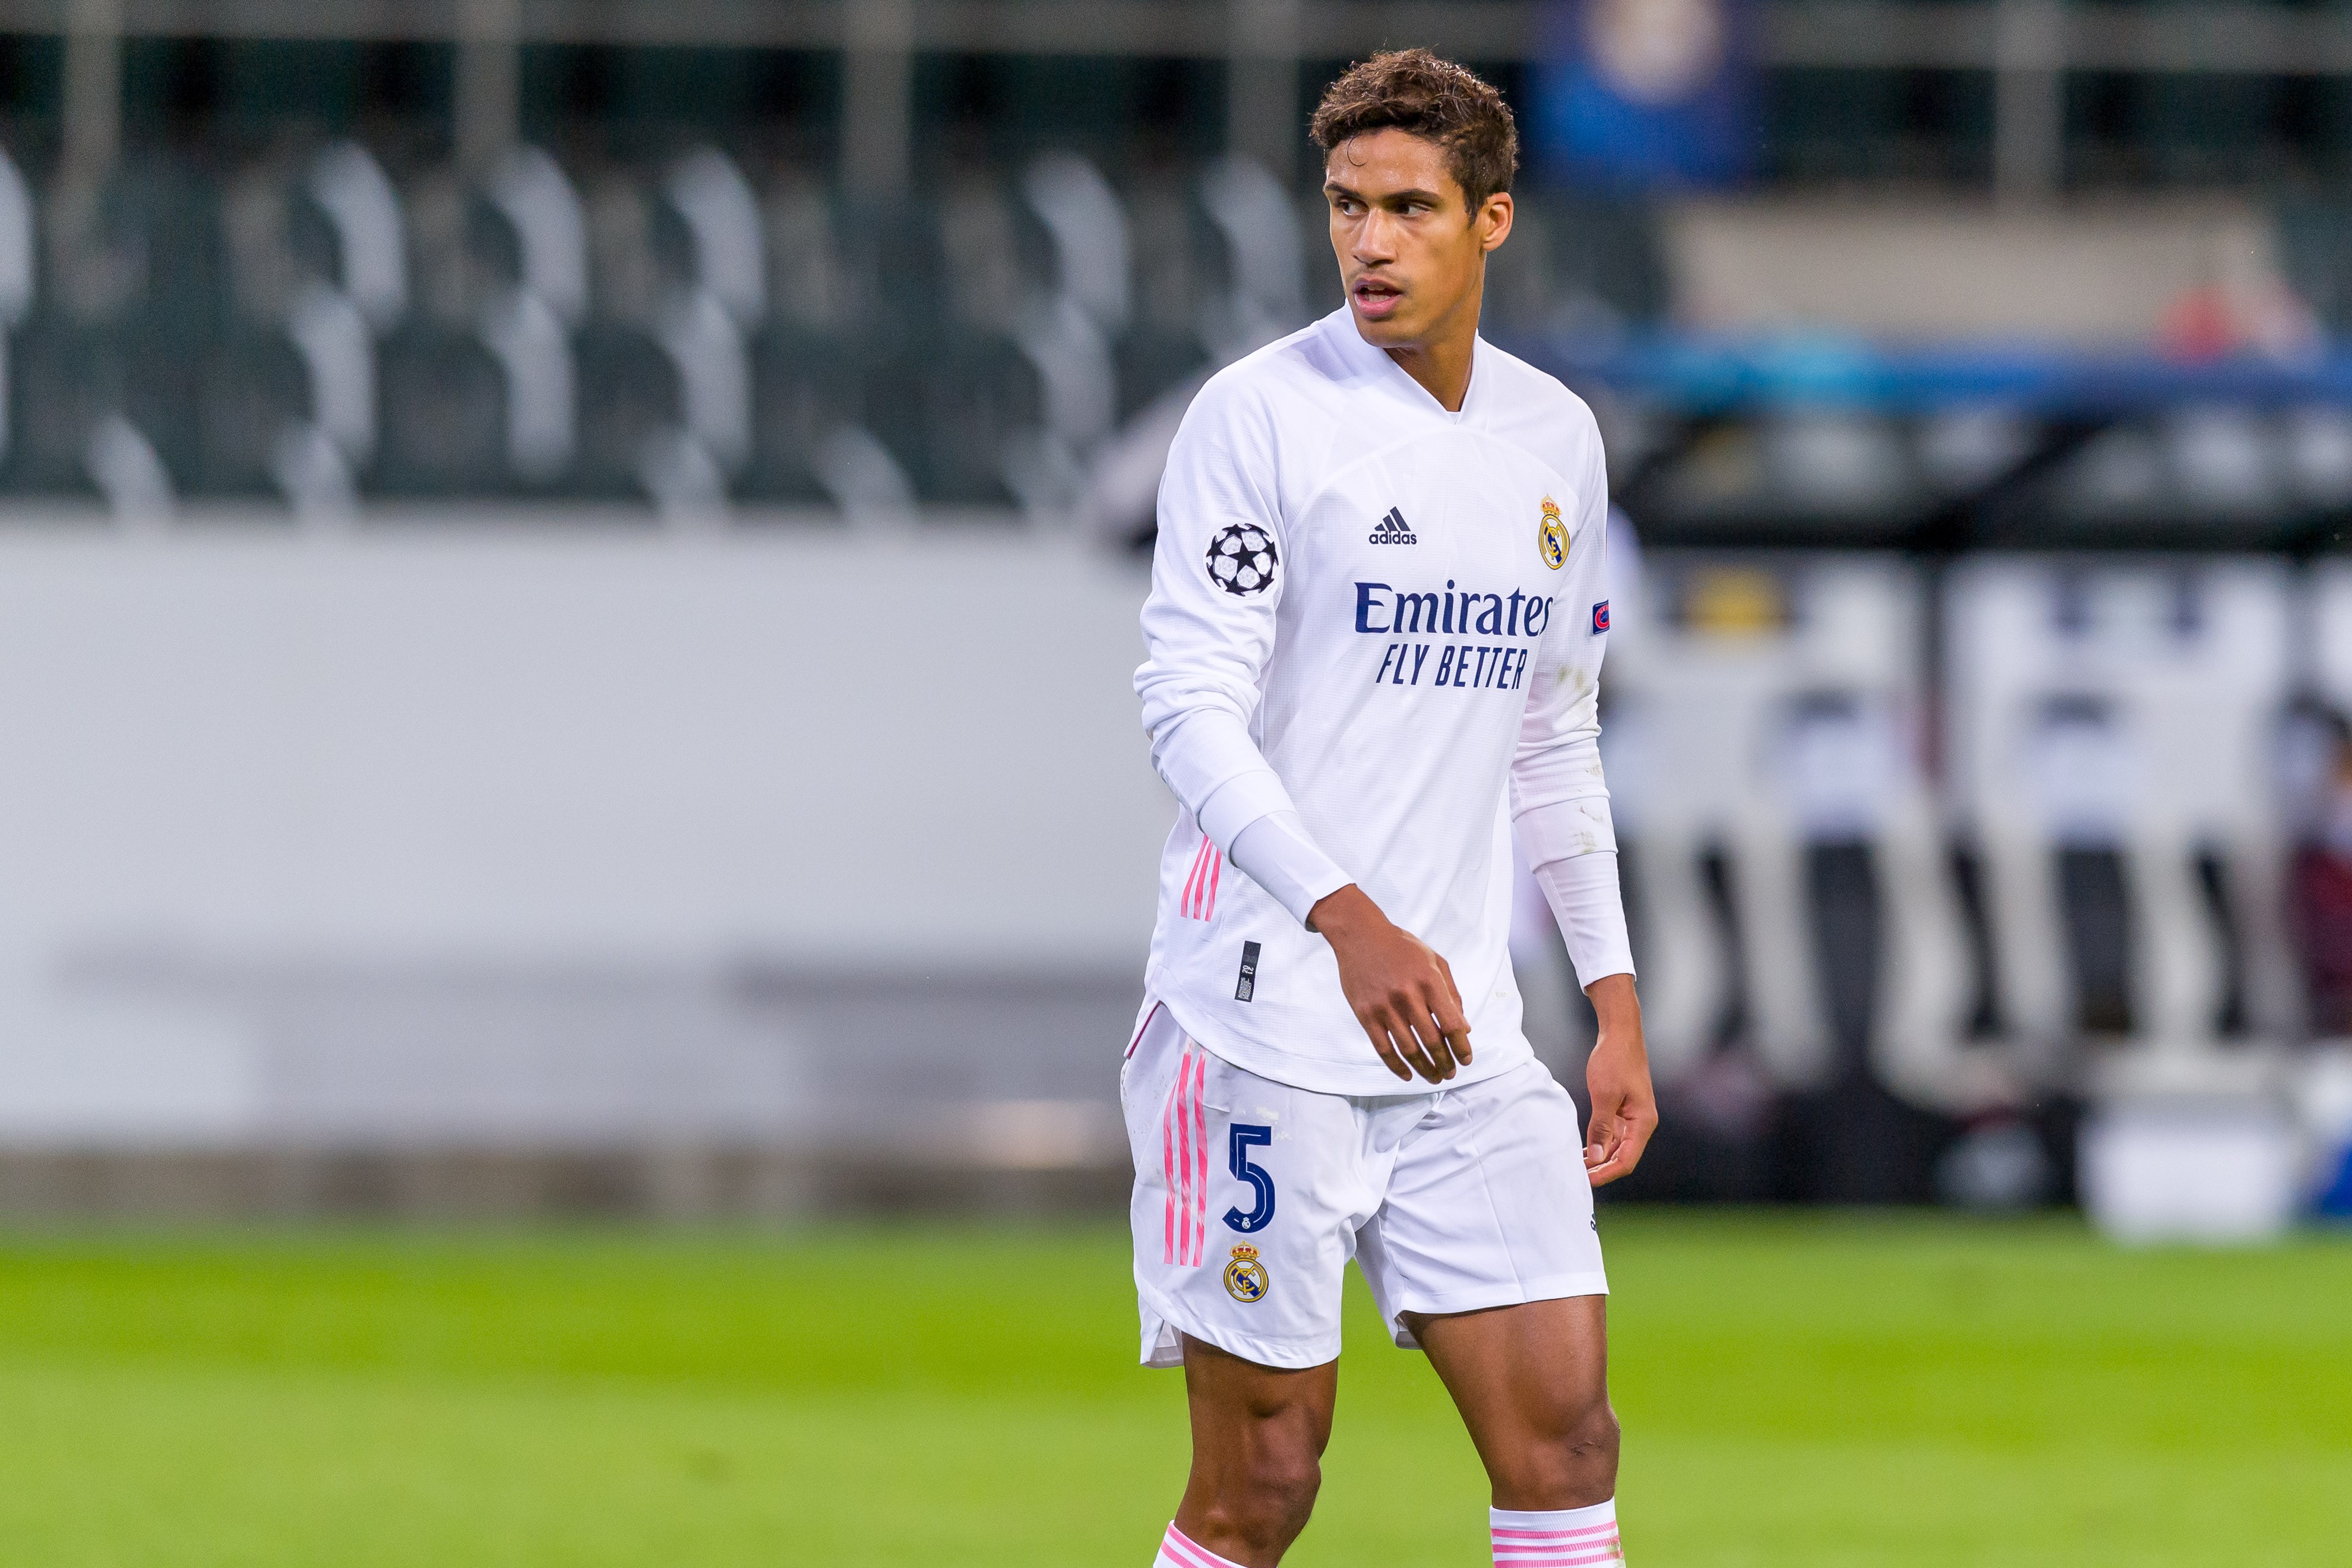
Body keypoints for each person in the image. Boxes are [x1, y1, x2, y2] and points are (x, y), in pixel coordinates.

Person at [1125, 49, 1657, 1568]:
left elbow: (1554, 736)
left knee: (1567, 1438)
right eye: (1347, 204)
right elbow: (1186, 706)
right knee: (1265, 1484)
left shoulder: (1554, 438)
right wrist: (1343, 915)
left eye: (1409, 207)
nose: (1369, 240)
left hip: (1467, 1033)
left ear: (1491, 220)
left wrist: (1612, 1003)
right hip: (1263, 1023)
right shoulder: (1259, 419)